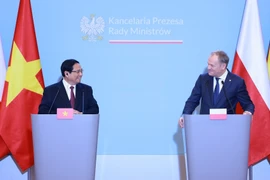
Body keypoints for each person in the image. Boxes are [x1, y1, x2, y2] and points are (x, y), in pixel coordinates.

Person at [179, 50, 254, 127]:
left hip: (226, 127)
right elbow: (192, 101)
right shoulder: (203, 79)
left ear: (223, 66)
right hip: (205, 126)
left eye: (212, 65)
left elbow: (248, 104)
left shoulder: (237, 82)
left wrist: (248, 112)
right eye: (208, 64)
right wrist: (185, 115)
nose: (208, 67)